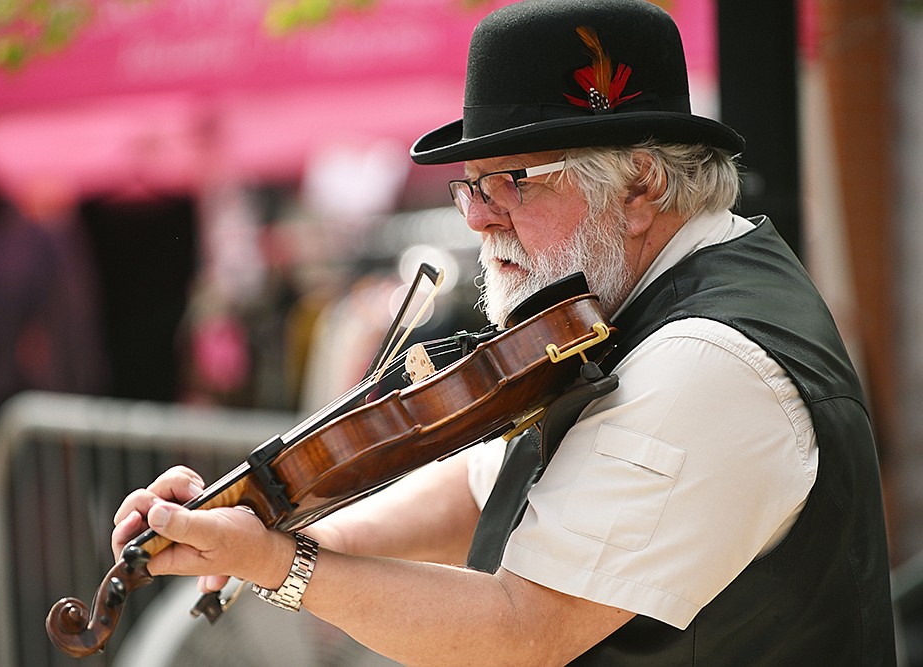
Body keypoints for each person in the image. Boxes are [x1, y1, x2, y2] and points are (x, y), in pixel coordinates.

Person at [111, 1, 896, 664]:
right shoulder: (619, 305)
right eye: (472, 189)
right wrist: (258, 526)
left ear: (641, 187)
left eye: (514, 183)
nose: (480, 219)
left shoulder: (705, 361)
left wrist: (282, 562)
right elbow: (478, 490)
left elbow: (524, 629)